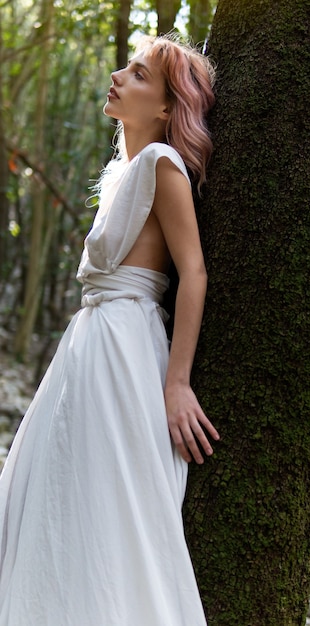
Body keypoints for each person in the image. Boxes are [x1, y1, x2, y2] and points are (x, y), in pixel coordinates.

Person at [0, 35, 219, 625]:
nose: (119, 76)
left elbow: (193, 272)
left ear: (168, 109)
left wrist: (177, 383)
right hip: (90, 344)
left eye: (139, 74)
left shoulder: (161, 164)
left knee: (114, 507)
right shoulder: (124, 171)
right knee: (59, 498)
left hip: (124, 345)